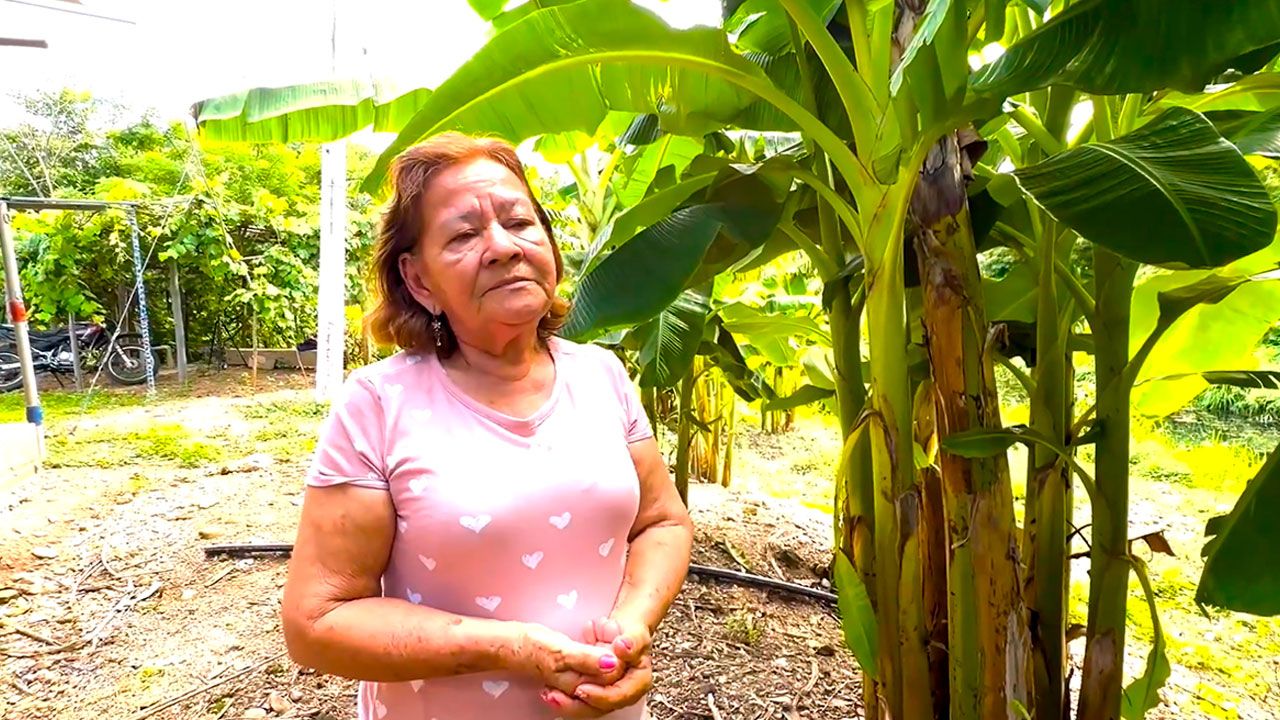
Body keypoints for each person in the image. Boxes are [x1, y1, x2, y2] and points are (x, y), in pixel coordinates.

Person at [281, 131, 694, 720]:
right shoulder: (378, 404)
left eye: (519, 223)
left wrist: (628, 629)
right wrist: (513, 649)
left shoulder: (602, 375)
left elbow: (662, 522)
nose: (503, 247)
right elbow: (317, 620)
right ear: (420, 281)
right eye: (465, 234)